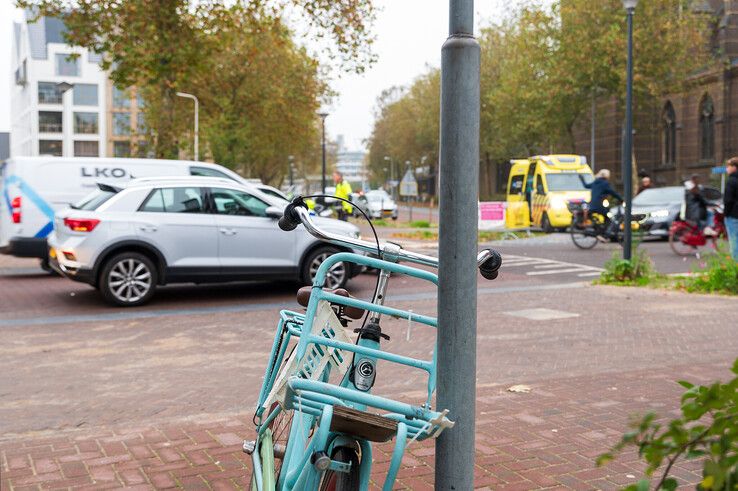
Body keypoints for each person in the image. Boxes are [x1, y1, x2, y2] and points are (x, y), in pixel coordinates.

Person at [579, 169, 623, 240]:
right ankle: (603, 234)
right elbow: (612, 192)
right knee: (608, 217)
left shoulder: (595, 182)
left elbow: (586, 186)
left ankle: (600, 231)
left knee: (604, 217)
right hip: (599, 205)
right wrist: (621, 199)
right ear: (607, 176)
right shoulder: (605, 183)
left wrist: (582, 179)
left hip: (592, 205)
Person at [724, 157, 738, 260]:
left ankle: (736, 267)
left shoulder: (731, 181)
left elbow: (728, 200)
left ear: (734, 167)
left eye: (728, 166)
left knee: (734, 241)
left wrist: (726, 214)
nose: (726, 169)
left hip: (733, 216)